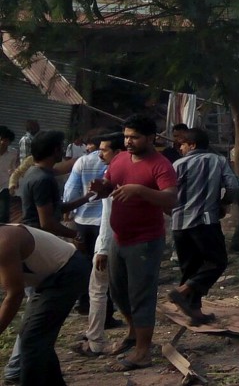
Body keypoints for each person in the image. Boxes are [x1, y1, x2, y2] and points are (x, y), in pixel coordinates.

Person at [89, 114, 178, 371]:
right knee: (118, 291)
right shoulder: (119, 159)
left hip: (145, 241)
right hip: (119, 238)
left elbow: (170, 199)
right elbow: (110, 184)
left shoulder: (160, 165)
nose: (128, 141)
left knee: (141, 295)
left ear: (151, 138)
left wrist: (139, 190)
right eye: (126, 136)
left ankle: (143, 352)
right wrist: (102, 187)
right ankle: (132, 332)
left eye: (134, 137)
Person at [4, 130, 79, 383]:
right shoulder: (42, 178)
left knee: (34, 334)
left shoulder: (36, 174)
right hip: (47, 260)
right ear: (57, 150)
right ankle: (19, 370)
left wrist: (86, 197)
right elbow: (48, 220)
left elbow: (12, 295)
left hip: (57, 266)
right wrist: (74, 235)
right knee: (35, 334)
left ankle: (17, 370)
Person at [0, 224, 90, 385]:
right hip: (49, 279)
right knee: (36, 337)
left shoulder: (4, 241)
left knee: (32, 339)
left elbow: (15, 294)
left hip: (68, 271)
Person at [168, 128, 239, 325]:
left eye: (182, 144)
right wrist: (224, 204)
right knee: (217, 262)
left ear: (192, 145)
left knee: (191, 267)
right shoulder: (217, 161)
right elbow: (233, 186)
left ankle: (195, 314)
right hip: (205, 221)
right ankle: (182, 291)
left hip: (179, 223)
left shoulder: (177, 165)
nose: (180, 148)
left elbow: (168, 191)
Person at [76, 133, 124, 358]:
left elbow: (109, 215)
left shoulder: (115, 173)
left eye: (104, 150)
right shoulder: (120, 171)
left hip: (111, 240)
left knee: (98, 289)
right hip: (123, 239)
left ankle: (95, 340)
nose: (99, 154)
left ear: (116, 152)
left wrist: (102, 248)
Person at [62, 131, 111, 316]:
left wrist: (70, 211)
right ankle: (104, 310)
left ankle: (84, 303)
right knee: (103, 266)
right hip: (104, 221)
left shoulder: (82, 161)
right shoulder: (117, 162)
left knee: (85, 262)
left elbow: (71, 189)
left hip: (83, 220)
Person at [0, 127, 18, 223]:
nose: (2, 142)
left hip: (4, 186)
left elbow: (13, 168)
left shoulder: (13, 153)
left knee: (4, 214)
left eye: (5, 140)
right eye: (1, 139)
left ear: (9, 142)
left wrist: (15, 180)